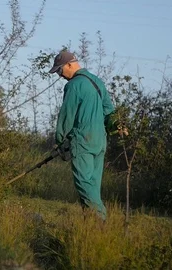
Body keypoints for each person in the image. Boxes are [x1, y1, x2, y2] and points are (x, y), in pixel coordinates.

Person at [49, 50, 120, 221]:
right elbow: (109, 112)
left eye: (60, 70)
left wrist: (59, 142)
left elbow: (66, 116)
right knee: (93, 186)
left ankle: (100, 220)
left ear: (70, 65)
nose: (60, 75)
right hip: (100, 142)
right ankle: (91, 226)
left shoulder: (73, 85)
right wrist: (117, 125)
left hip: (83, 141)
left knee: (83, 183)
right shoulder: (97, 82)